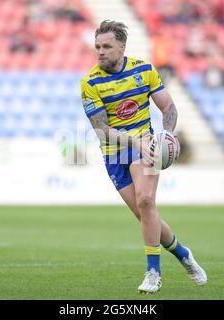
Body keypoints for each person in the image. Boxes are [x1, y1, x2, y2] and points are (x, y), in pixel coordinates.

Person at [81, 20, 207, 294]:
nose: (100, 52)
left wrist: (166, 136)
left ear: (122, 47)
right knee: (145, 215)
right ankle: (183, 254)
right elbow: (102, 131)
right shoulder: (90, 83)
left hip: (146, 146)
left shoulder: (144, 70)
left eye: (106, 46)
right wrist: (135, 142)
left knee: (147, 201)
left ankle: (153, 273)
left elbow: (168, 107)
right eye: (97, 47)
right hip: (115, 151)